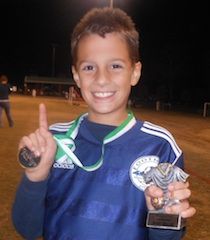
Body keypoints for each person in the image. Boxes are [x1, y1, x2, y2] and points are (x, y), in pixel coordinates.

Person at [12, 7, 196, 240]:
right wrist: (36, 177)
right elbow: (28, 228)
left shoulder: (160, 146)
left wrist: (164, 215)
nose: (101, 79)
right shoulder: (53, 141)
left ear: (135, 72)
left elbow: (168, 234)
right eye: (89, 67)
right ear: (76, 75)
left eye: (115, 66)